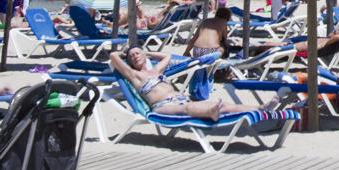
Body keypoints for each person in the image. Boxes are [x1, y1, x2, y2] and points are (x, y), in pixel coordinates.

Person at [109, 47, 267, 120]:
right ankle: (210, 113)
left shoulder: (156, 71)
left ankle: (259, 108)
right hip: (163, 107)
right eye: (132, 56)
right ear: (129, 61)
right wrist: (123, 53)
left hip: (180, 99)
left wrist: (147, 52)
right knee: (189, 108)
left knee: (224, 105)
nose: (135, 56)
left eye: (138, 53)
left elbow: (167, 57)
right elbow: (113, 56)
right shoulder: (135, 76)